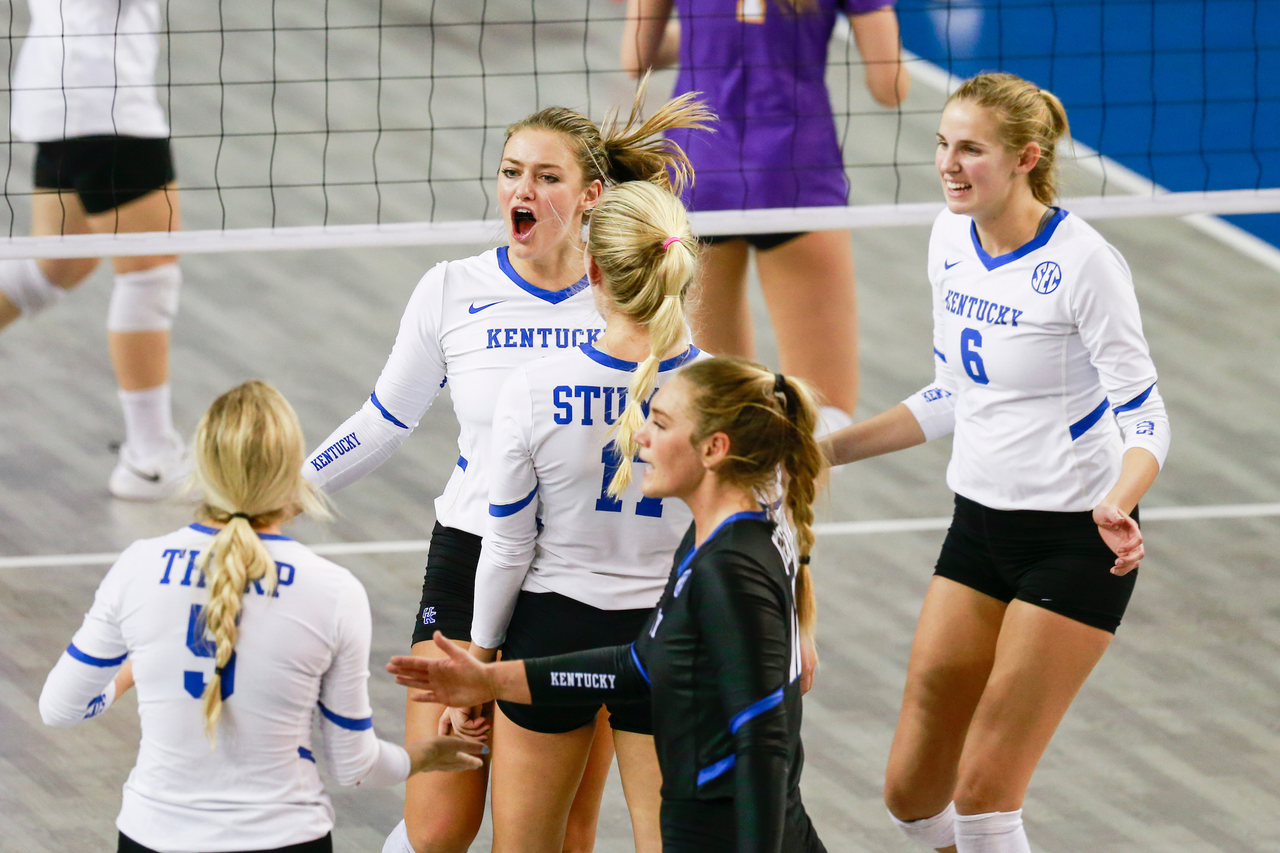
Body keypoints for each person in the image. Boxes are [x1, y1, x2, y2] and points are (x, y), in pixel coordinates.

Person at [302, 82, 713, 853]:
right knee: (439, 827)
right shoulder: (455, 288)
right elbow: (384, 420)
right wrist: (288, 486)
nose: (522, 189)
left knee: (563, 830)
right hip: (470, 553)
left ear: (591, 195)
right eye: (511, 170)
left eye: (546, 176)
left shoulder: (628, 292)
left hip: (570, 579)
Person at [822, 73, 1171, 853]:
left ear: (1026, 159)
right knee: (912, 796)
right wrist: (828, 451)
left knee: (984, 799)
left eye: (971, 149)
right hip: (977, 527)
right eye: (943, 145)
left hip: (1076, 539)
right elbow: (951, 392)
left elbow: (1146, 415)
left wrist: (1121, 497)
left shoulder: (1085, 264)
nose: (949, 164)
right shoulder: (950, 238)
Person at [391, 356, 828, 853]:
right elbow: (636, 668)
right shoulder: (707, 544)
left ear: (714, 448)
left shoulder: (730, 576)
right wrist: (488, 679)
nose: (637, 437)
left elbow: (765, 748)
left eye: (659, 424)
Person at [38, 380, 485, 853]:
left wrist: (131, 672)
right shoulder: (333, 591)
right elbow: (353, 765)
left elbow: (61, 708)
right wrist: (425, 756)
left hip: (153, 836)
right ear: (294, 470)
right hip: (285, 838)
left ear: (202, 466)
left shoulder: (138, 565)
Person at [460, 179, 706, 853]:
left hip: (553, 633)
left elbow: (507, 547)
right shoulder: (727, 390)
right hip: (673, 636)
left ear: (592, 270)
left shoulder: (533, 388)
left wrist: (482, 662)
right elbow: (765, 541)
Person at [621, 0, 911, 434]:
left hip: (698, 174)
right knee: (822, 412)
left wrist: (710, 33)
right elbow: (889, 87)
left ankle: (735, 503)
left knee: (721, 403)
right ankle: (797, 502)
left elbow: (637, 59)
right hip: (795, 176)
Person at [2, 0, 189, 500]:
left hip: (63, 86)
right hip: (104, 100)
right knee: (149, 273)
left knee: (58, 264)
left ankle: (149, 451)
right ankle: (150, 457)